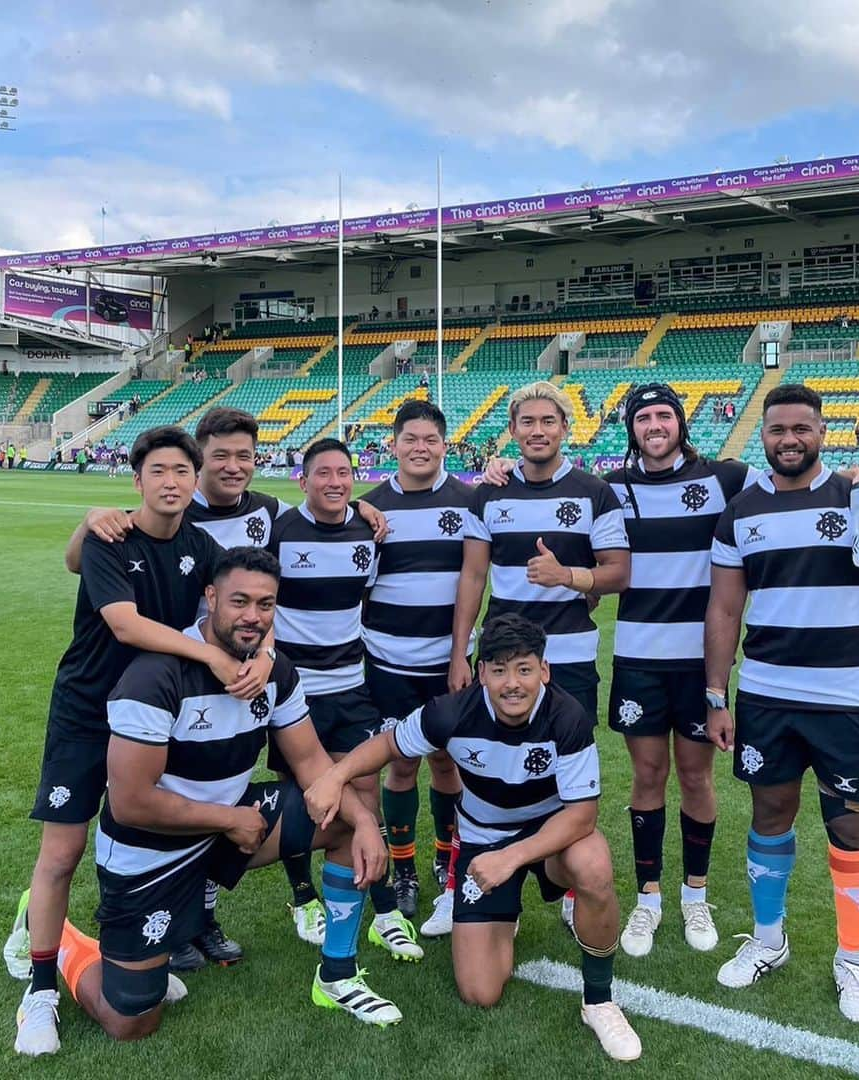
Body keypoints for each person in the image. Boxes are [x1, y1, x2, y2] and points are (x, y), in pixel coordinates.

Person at [31, 547, 400, 1048]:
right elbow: (130, 803)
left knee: (338, 819)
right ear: (210, 598)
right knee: (131, 1021)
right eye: (239, 602)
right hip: (149, 851)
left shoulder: (275, 672)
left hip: (228, 825)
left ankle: (336, 976)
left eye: (266, 605)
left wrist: (362, 823)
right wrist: (228, 819)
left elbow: (313, 764)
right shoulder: (155, 676)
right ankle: (68, 938)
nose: (252, 617)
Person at [60, 408, 386, 970]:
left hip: (222, 682)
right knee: (102, 827)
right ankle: (77, 927)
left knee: (224, 786)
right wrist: (91, 517)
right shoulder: (172, 515)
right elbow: (82, 563)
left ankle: (201, 920)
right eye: (218, 458)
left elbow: (319, 510)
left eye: (245, 457)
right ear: (195, 464)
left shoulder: (267, 510)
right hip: (149, 681)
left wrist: (359, 505)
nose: (232, 468)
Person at [9, 427, 276, 1056]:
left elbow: (246, 602)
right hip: (87, 711)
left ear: (195, 478)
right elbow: (125, 626)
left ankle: (134, 951)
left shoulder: (203, 544)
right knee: (63, 852)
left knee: (149, 833)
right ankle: (41, 988)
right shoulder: (111, 537)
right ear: (137, 480)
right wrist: (208, 657)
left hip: (156, 717)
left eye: (183, 471)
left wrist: (263, 649)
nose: (172, 482)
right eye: (158, 471)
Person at [305, 614, 643, 1061]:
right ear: (481, 672)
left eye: (524, 669)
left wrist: (513, 857)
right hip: (484, 841)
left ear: (544, 670)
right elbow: (388, 746)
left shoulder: (567, 716)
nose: (512, 684)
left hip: (552, 839)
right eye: (499, 670)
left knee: (593, 864)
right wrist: (336, 775)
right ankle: (505, 918)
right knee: (480, 991)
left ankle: (598, 1000)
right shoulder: (452, 712)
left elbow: (582, 816)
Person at [705, 383, 859, 1025]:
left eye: (802, 428)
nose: (789, 439)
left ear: (823, 431)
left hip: (849, 699)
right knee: (770, 813)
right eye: (777, 430)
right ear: (761, 436)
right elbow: (724, 608)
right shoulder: (738, 511)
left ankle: (852, 959)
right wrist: (718, 696)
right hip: (766, 697)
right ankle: (770, 941)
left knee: (850, 825)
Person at [449, 380, 629, 931]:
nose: (537, 431)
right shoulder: (489, 493)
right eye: (526, 422)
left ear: (564, 428)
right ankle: (467, 873)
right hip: (499, 657)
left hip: (568, 657)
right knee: (481, 761)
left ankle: (565, 881)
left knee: (564, 766)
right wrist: (462, 652)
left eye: (548, 422)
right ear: (512, 431)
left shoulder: (595, 492)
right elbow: (474, 574)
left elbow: (619, 572)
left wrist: (567, 576)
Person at [599, 384, 762, 958]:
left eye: (664, 415)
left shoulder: (726, 478)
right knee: (647, 778)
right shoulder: (610, 488)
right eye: (643, 418)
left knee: (696, 778)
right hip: (639, 658)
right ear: (632, 429)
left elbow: (795, 477)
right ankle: (649, 900)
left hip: (700, 663)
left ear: (681, 423)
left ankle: (695, 894)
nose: (654, 425)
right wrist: (493, 470)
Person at [264, 439, 421, 960]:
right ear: (302, 481)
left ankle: (383, 909)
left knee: (364, 796)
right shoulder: (279, 530)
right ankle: (302, 897)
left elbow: (366, 598)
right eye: (323, 474)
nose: (335, 482)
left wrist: (364, 509)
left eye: (344, 473)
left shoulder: (365, 530)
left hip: (351, 687)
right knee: (301, 798)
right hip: (293, 693)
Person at [360, 400, 472, 923]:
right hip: (387, 662)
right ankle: (402, 868)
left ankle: (446, 858)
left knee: (448, 763)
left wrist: (458, 655)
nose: (420, 448)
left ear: (444, 445)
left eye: (430, 439)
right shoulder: (369, 509)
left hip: (449, 664)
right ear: (395, 444)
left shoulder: (470, 501)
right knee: (401, 763)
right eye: (411, 439)